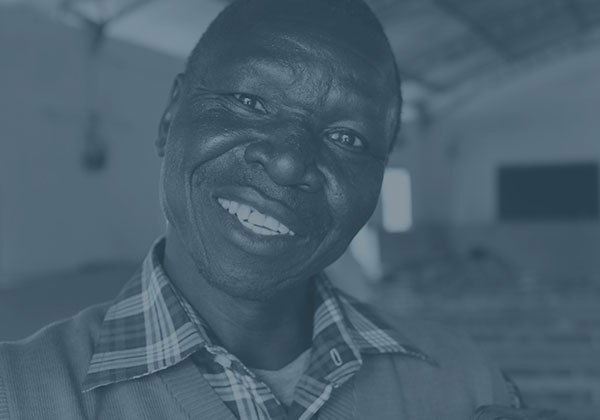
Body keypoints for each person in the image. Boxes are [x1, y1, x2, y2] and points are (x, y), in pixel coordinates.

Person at [0, 0, 560, 418]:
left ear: (376, 181)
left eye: (347, 138)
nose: (291, 162)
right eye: (250, 101)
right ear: (171, 119)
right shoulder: (21, 395)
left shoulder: (464, 386)